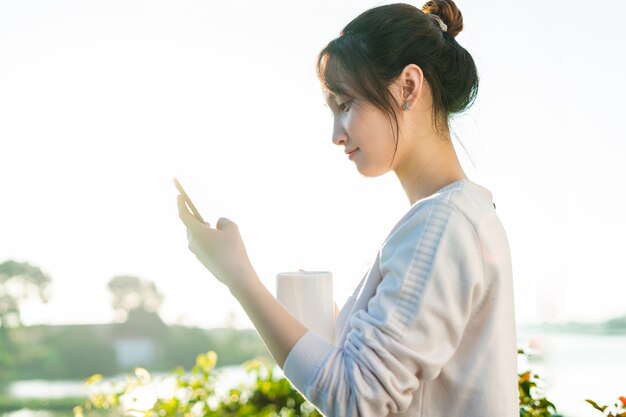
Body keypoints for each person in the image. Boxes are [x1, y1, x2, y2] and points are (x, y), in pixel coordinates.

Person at [176, 1, 518, 416]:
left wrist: (238, 277)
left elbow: (356, 399)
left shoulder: (442, 224)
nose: (336, 134)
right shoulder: (467, 215)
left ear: (408, 87)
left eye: (345, 104)